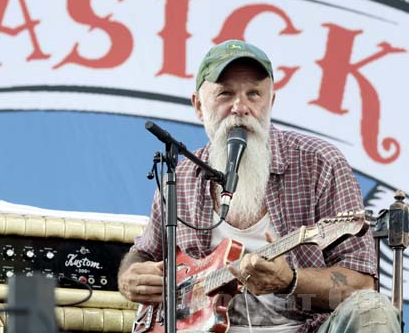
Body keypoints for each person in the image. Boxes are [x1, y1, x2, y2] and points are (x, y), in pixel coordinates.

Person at [117, 40, 400, 332]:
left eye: (254, 94)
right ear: (199, 106)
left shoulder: (320, 164)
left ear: (271, 102)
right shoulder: (182, 175)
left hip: (305, 328)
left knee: (372, 308)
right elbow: (145, 252)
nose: (240, 108)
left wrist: (291, 281)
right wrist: (128, 278)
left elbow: (361, 285)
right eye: (225, 94)